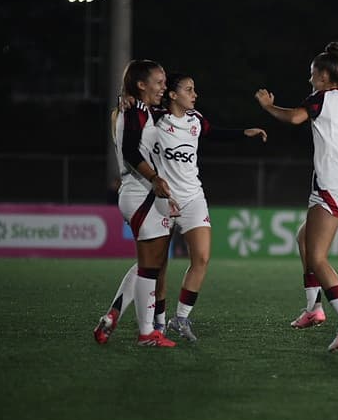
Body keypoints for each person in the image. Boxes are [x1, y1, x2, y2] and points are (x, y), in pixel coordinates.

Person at [255, 42, 338, 352]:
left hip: (333, 186)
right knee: (303, 238)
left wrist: (268, 107)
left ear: (324, 76)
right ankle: (313, 308)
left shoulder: (320, 99)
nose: (310, 79)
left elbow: (295, 118)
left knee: (317, 258)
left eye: (313, 74)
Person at [151, 72, 267, 341]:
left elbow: (214, 133)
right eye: (189, 90)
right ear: (172, 95)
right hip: (162, 199)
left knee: (202, 258)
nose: (195, 94)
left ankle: (181, 318)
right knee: (159, 266)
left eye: (194, 89)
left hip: (193, 197)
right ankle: (158, 321)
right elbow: (130, 123)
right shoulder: (156, 119)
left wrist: (243, 133)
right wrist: (123, 101)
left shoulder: (196, 119)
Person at [93, 59, 176, 348]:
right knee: (150, 268)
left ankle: (114, 315)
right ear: (141, 85)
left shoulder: (138, 110)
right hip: (141, 193)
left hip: (142, 193)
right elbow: (130, 151)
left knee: (150, 263)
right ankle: (146, 333)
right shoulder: (134, 112)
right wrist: (155, 178)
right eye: (159, 82)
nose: (163, 87)